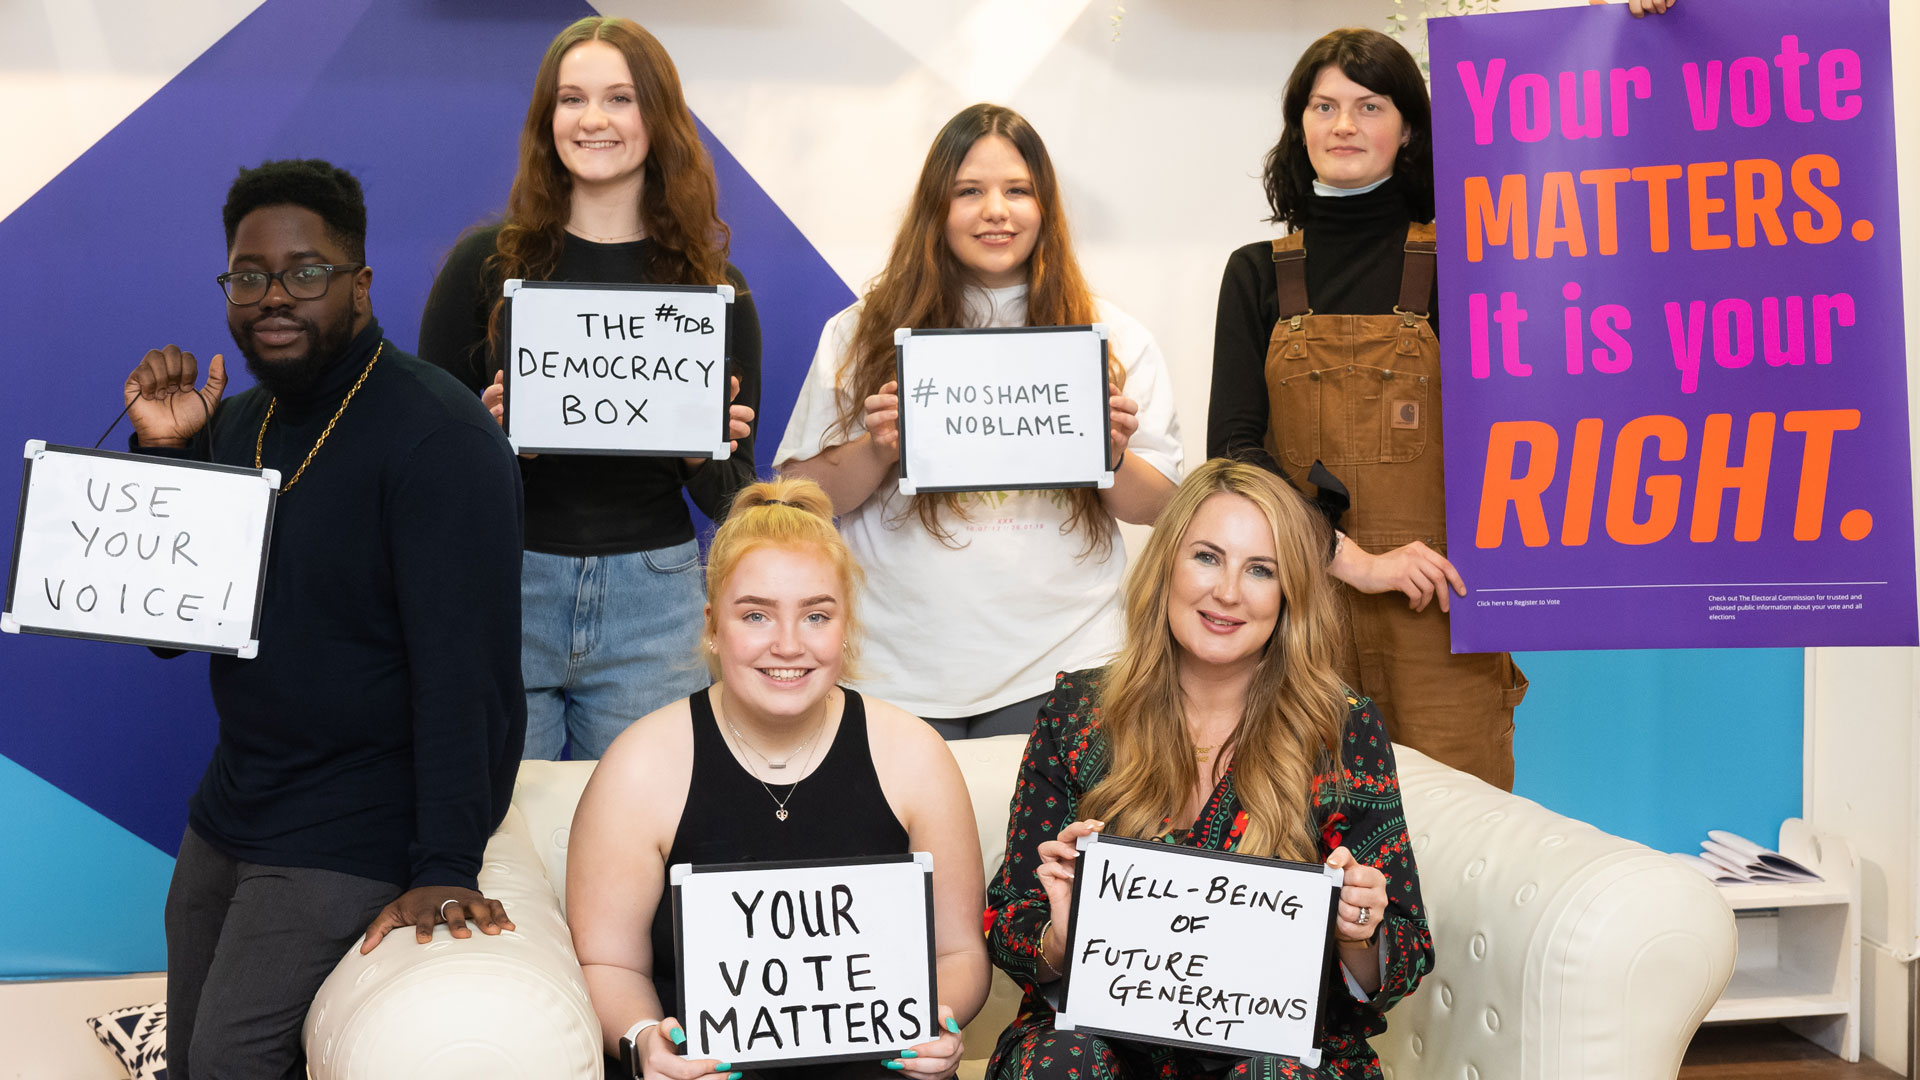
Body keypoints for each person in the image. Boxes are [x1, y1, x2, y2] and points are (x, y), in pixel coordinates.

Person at [121, 159, 525, 1079]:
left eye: (306, 273)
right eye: (249, 276)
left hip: (354, 823)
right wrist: (169, 451)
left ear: (360, 284)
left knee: (228, 1063)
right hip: (231, 808)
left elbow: (472, 681)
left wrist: (447, 864)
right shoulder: (238, 423)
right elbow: (168, 631)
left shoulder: (441, 439)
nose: (274, 297)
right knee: (187, 1063)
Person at [983, 459, 1431, 1079]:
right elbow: (1009, 921)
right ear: (1167, 564)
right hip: (1099, 1045)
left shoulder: (1341, 726)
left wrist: (1358, 932)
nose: (1227, 592)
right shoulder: (1078, 713)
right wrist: (1060, 936)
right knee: (1062, 1061)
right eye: (1207, 557)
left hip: (1277, 1054)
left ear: (1290, 593)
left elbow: (1404, 954)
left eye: (1260, 570)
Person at [777, 103, 1183, 739]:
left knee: (1049, 845)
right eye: (969, 191)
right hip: (893, 669)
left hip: (1065, 663)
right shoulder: (859, 332)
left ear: (1045, 206)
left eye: (1018, 190)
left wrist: (1108, 454)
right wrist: (879, 449)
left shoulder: (1113, 338)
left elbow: (1161, 506)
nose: (996, 210)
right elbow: (803, 496)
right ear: (936, 208)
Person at [567, 476, 990, 1080]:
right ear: (713, 626)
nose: (788, 645)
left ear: (845, 628)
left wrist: (936, 1023)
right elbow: (609, 966)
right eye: (756, 615)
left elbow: (957, 951)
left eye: (816, 615)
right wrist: (644, 1042)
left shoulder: (916, 755)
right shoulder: (640, 765)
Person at [420, 15, 759, 761]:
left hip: (655, 595)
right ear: (547, 121)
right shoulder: (484, 267)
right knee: (497, 836)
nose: (594, 119)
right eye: (571, 99)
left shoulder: (712, 290)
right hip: (507, 584)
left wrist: (704, 453)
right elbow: (424, 478)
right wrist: (488, 442)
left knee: (644, 836)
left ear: (658, 118)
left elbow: (735, 501)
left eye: (620, 98)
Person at [1207, 27, 1524, 788]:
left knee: (1461, 848)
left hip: (1446, 617)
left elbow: (1540, 417)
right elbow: (1235, 455)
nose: (1343, 124)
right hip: (1303, 617)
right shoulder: (1254, 275)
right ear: (1301, 126)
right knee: (1304, 844)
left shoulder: (1475, 262)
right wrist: (1356, 562)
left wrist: (1642, 21)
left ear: (1408, 128)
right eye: (1324, 105)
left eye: (1369, 104)